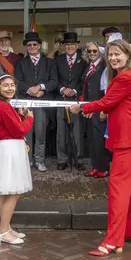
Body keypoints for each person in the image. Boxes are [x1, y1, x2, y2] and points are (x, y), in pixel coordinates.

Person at [69, 39, 131, 256]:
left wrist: (83, 107)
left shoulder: (125, 76)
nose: (113, 58)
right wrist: (102, 109)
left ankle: (113, 241)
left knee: (118, 189)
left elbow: (106, 102)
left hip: (127, 137)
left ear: (128, 55)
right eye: (111, 55)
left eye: (118, 54)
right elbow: (115, 103)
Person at [0, 75, 34, 245]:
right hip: (10, 149)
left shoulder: (3, 105)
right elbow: (19, 130)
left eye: (12, 85)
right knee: (14, 191)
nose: (10, 88)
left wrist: (19, 116)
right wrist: (29, 118)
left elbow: (11, 125)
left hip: (7, 148)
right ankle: (3, 231)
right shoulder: (3, 106)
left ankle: (6, 226)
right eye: (5, 86)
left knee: (7, 191)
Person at [15, 31, 58, 172]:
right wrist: (29, 90)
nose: (32, 46)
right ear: (26, 47)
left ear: (39, 46)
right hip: (26, 102)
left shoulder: (49, 62)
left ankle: (39, 160)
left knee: (40, 132)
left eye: (34, 44)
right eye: (29, 45)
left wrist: (41, 88)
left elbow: (54, 81)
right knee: (26, 133)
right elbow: (17, 81)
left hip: (42, 102)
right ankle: (27, 160)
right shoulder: (21, 63)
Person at [52, 32, 86, 171]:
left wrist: (75, 90)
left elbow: (83, 80)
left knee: (77, 130)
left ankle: (78, 159)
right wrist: (62, 89)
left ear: (77, 45)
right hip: (61, 99)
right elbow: (55, 78)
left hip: (76, 100)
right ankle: (62, 159)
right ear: (64, 46)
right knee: (61, 131)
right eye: (67, 44)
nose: (70, 46)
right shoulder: (58, 60)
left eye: (72, 44)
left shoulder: (83, 62)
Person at [82, 42, 108, 178]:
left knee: (99, 139)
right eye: (89, 51)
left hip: (100, 107)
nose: (91, 53)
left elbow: (106, 89)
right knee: (92, 139)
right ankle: (95, 166)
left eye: (94, 51)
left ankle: (103, 167)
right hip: (90, 108)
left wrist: (105, 110)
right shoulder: (89, 67)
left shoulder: (104, 67)